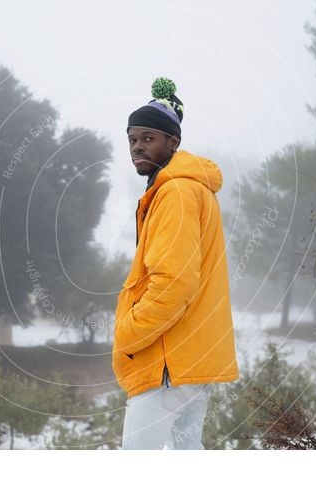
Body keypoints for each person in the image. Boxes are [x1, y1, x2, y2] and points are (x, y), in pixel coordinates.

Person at [113, 77, 239, 450]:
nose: (137, 146)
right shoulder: (183, 188)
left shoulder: (177, 192)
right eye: (133, 139)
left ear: (173, 142)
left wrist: (128, 333)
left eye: (148, 138)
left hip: (169, 360)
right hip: (187, 357)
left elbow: (174, 282)